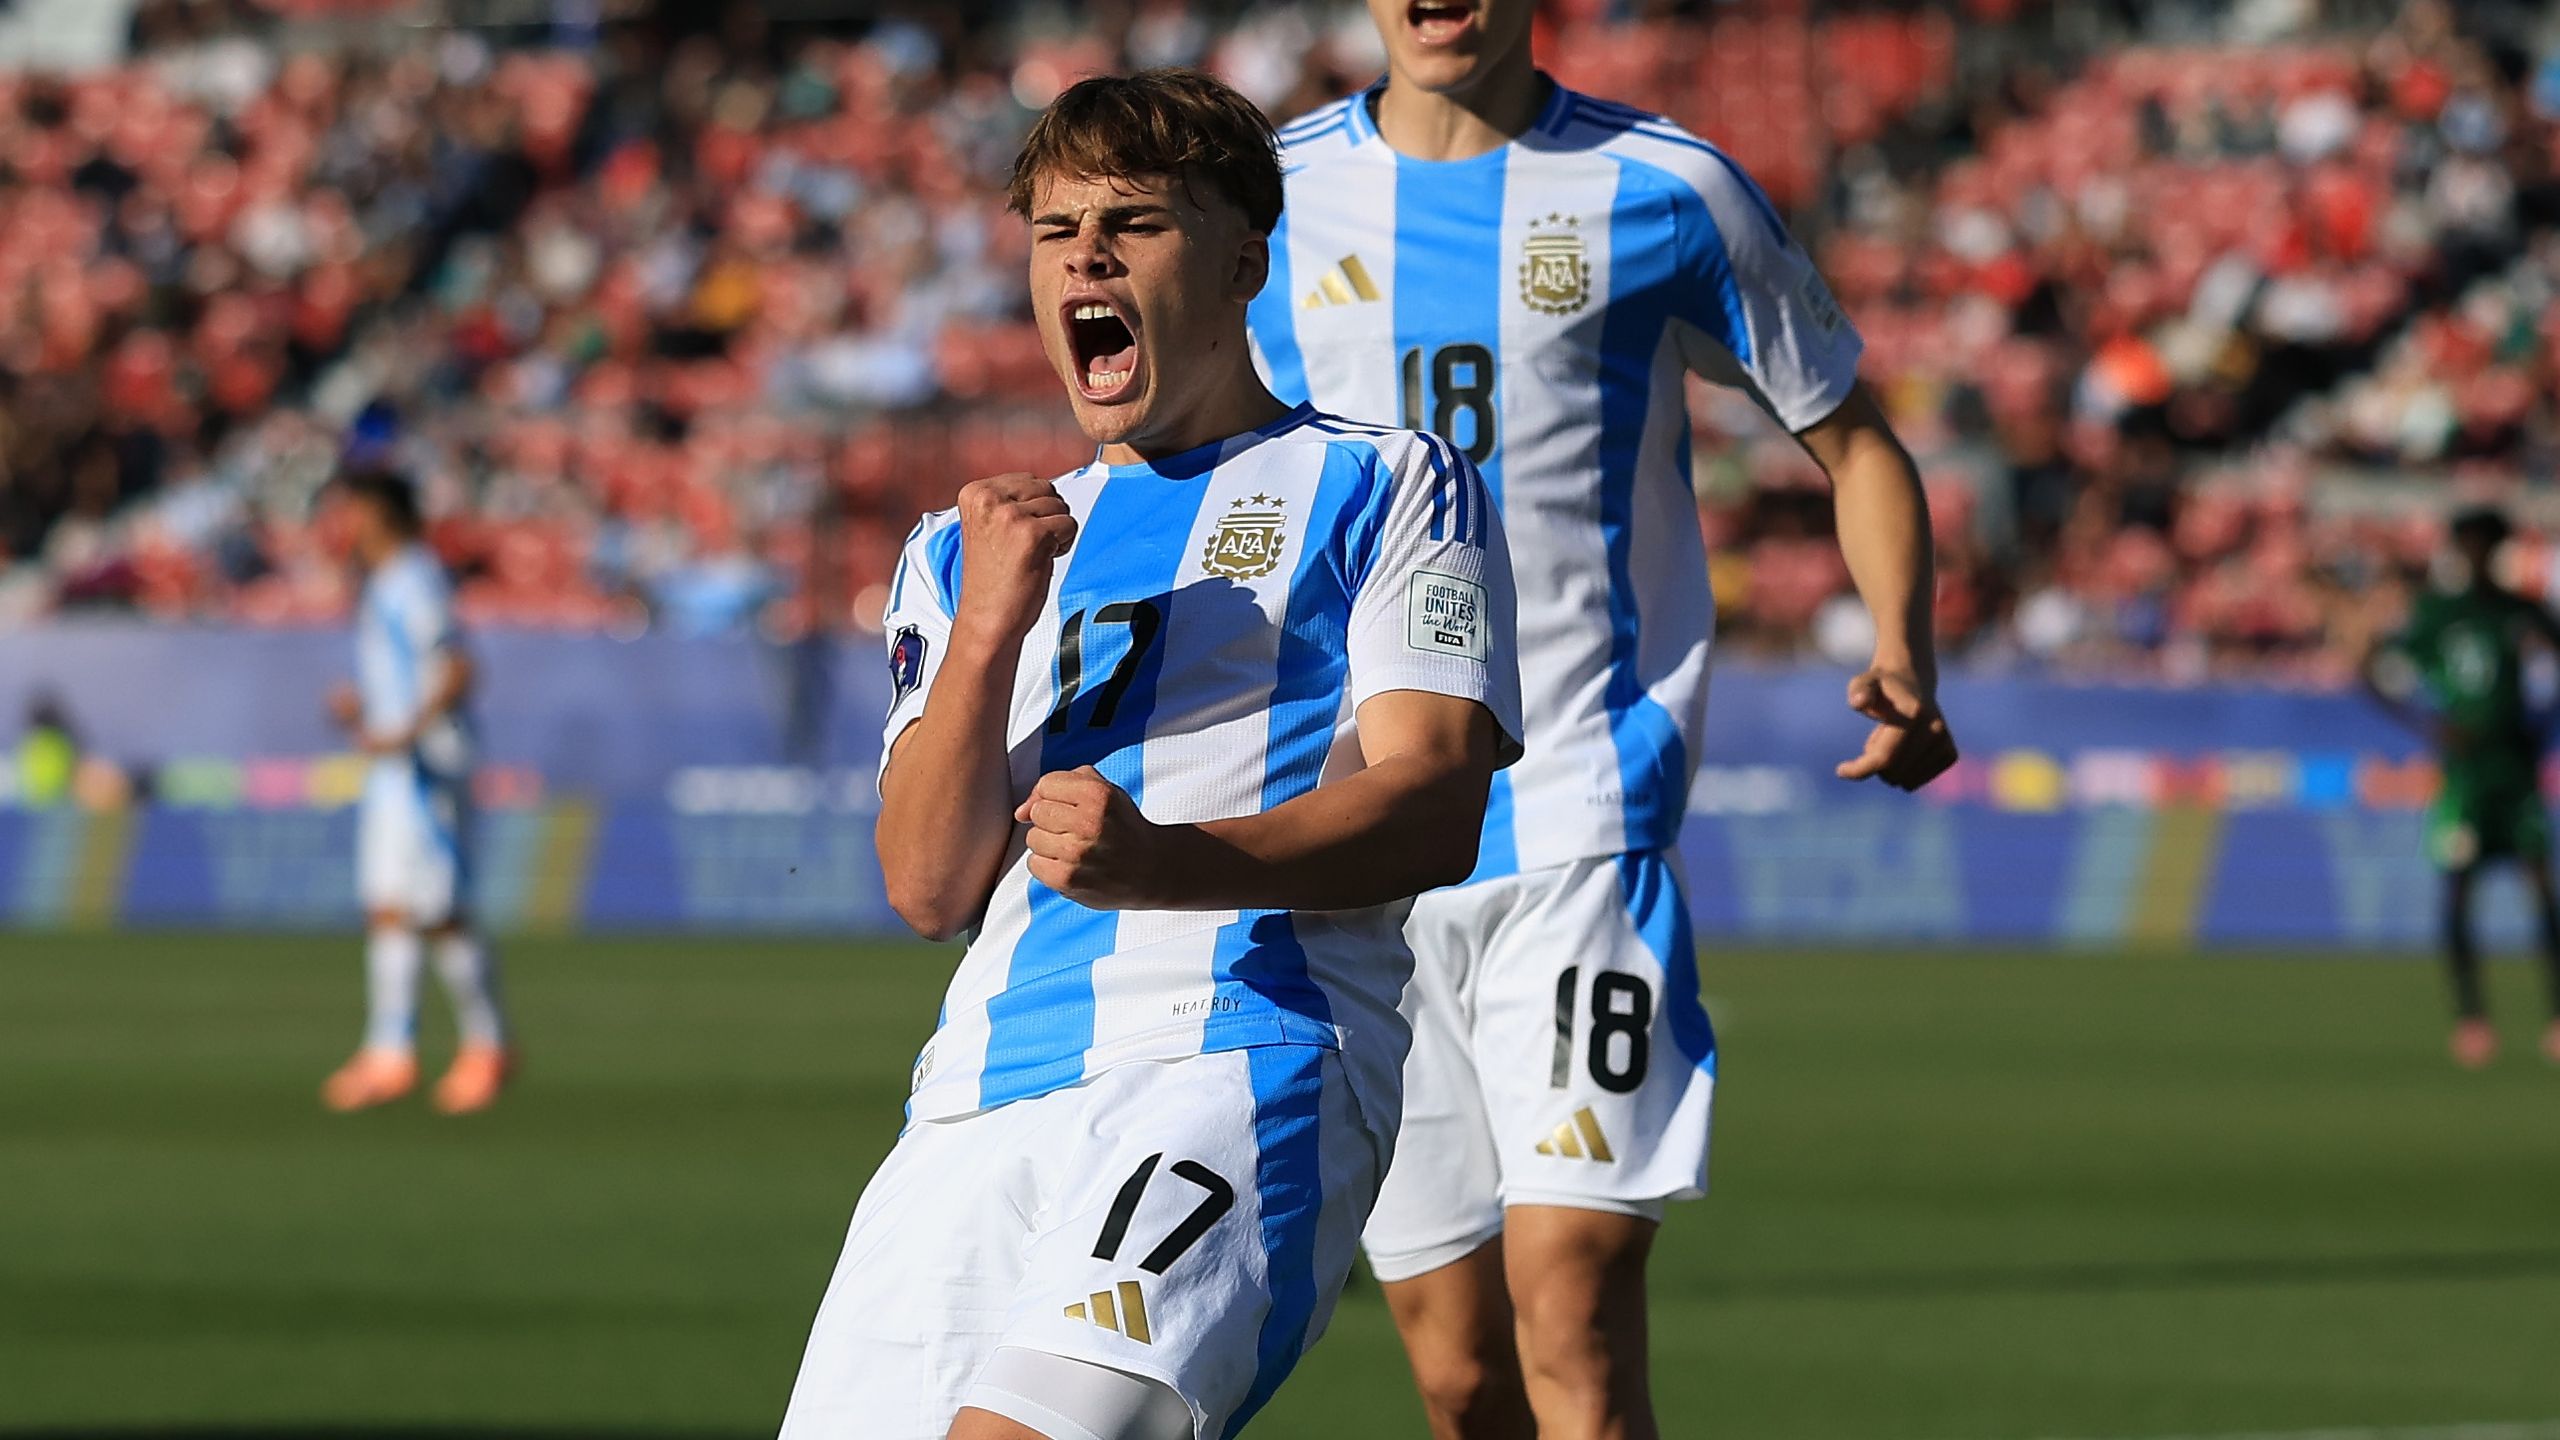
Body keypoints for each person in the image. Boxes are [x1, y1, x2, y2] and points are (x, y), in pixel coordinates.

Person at [1244, 5, 1959, 1435]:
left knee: (1569, 1298)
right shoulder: (1263, 203)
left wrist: (1902, 648)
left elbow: (1853, 435)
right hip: (1365, 841)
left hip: (1580, 810)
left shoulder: (1667, 188)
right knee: (1458, 1371)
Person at [777, 70, 1523, 1440]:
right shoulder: (960, 550)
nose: (1088, 258)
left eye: (1134, 223)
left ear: (1243, 264)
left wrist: (1171, 865)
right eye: (1056, 231)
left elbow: (1434, 805)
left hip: (1237, 1052)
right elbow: (928, 886)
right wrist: (990, 627)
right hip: (972, 1103)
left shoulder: (1392, 482)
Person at [319, 468, 513, 1115]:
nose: (342, 524)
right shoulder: (383, 583)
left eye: (351, 510)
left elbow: (458, 667)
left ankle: (488, 1044)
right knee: (388, 906)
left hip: (426, 767)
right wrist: (367, 714)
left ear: (378, 513)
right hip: (393, 770)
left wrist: (407, 729)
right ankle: (389, 1051)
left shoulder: (415, 578)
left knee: (440, 908)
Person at [2362, 505, 2560, 1069]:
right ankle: (2472, 1019)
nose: (2476, 554)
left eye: (2485, 543)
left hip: (2514, 770)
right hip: (2465, 776)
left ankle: (2555, 1017)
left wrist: (2543, 723)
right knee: (2458, 894)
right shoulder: (2438, 613)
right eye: (2468, 543)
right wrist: (2429, 725)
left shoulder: (2520, 611)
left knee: (2542, 892)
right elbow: (2375, 667)